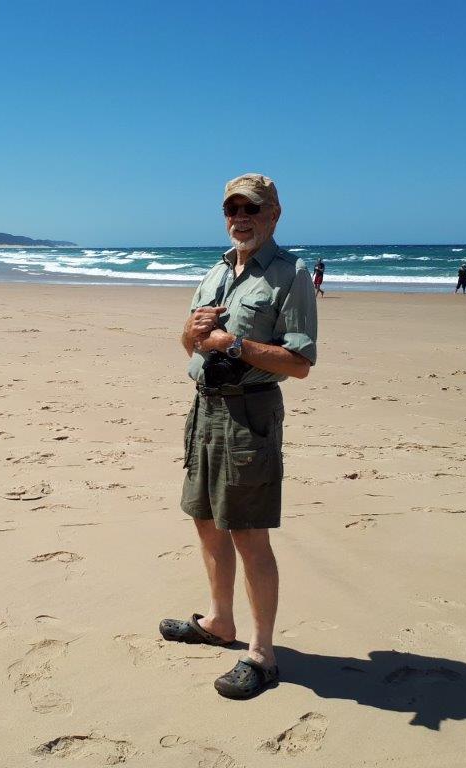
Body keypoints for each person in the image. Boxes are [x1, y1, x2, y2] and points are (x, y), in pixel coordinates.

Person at [163, 173, 317, 700]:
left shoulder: (291, 273)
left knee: (249, 533)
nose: (240, 219)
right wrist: (192, 334)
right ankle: (219, 622)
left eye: (251, 210)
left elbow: (299, 363)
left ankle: (262, 653)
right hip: (204, 411)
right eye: (232, 210)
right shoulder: (213, 272)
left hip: (251, 416)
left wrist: (234, 346)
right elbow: (189, 346)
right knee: (205, 521)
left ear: (274, 214)